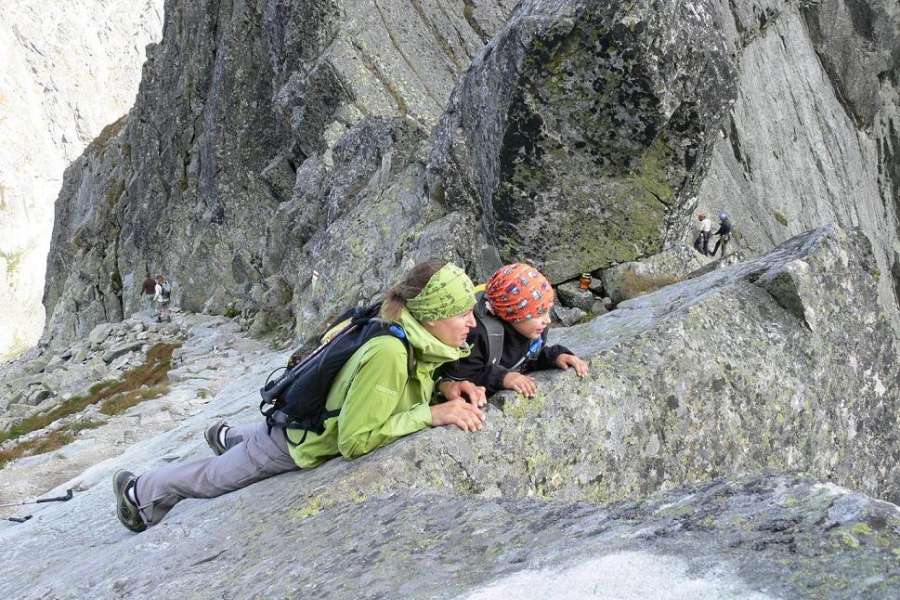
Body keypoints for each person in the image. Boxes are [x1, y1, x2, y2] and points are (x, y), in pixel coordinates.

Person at [113, 261, 487, 532]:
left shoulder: (411, 332)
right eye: (462, 313)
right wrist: (432, 415)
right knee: (213, 478)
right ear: (433, 315)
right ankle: (139, 491)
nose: (472, 322)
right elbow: (355, 441)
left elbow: (395, 391)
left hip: (303, 421)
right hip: (294, 442)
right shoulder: (389, 352)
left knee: (250, 445)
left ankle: (228, 436)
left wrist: (445, 387)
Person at [436, 263, 588, 399]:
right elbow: (461, 381)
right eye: (538, 313)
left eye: (548, 310)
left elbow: (530, 357)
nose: (547, 320)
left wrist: (556, 356)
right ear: (513, 314)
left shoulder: (534, 329)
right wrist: (503, 378)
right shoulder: (478, 333)